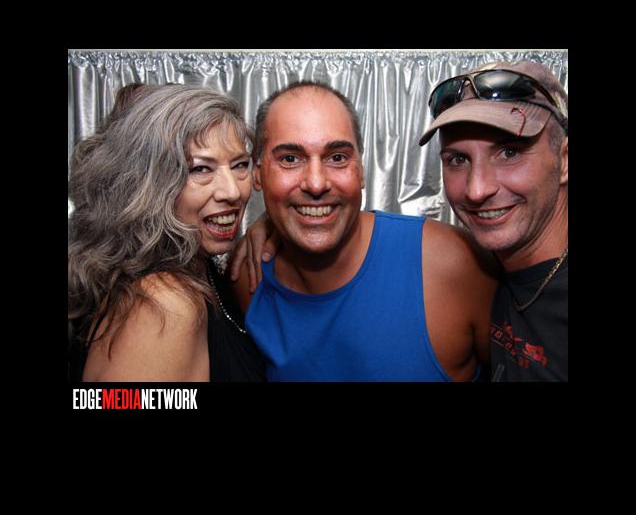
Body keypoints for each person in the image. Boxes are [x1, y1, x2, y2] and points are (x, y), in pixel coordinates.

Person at [232, 81, 498, 382]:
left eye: (337, 157)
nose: (316, 183)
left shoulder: (452, 264)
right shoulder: (248, 276)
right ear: (257, 175)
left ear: (360, 170)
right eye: (290, 159)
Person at [68, 84, 266, 382]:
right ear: (150, 184)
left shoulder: (198, 267)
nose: (233, 191)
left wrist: (271, 222)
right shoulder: (164, 304)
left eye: (240, 165)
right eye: (200, 169)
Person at [418, 60, 568, 381]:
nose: (477, 190)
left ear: (564, 160)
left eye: (510, 153)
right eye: (458, 159)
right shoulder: (483, 269)